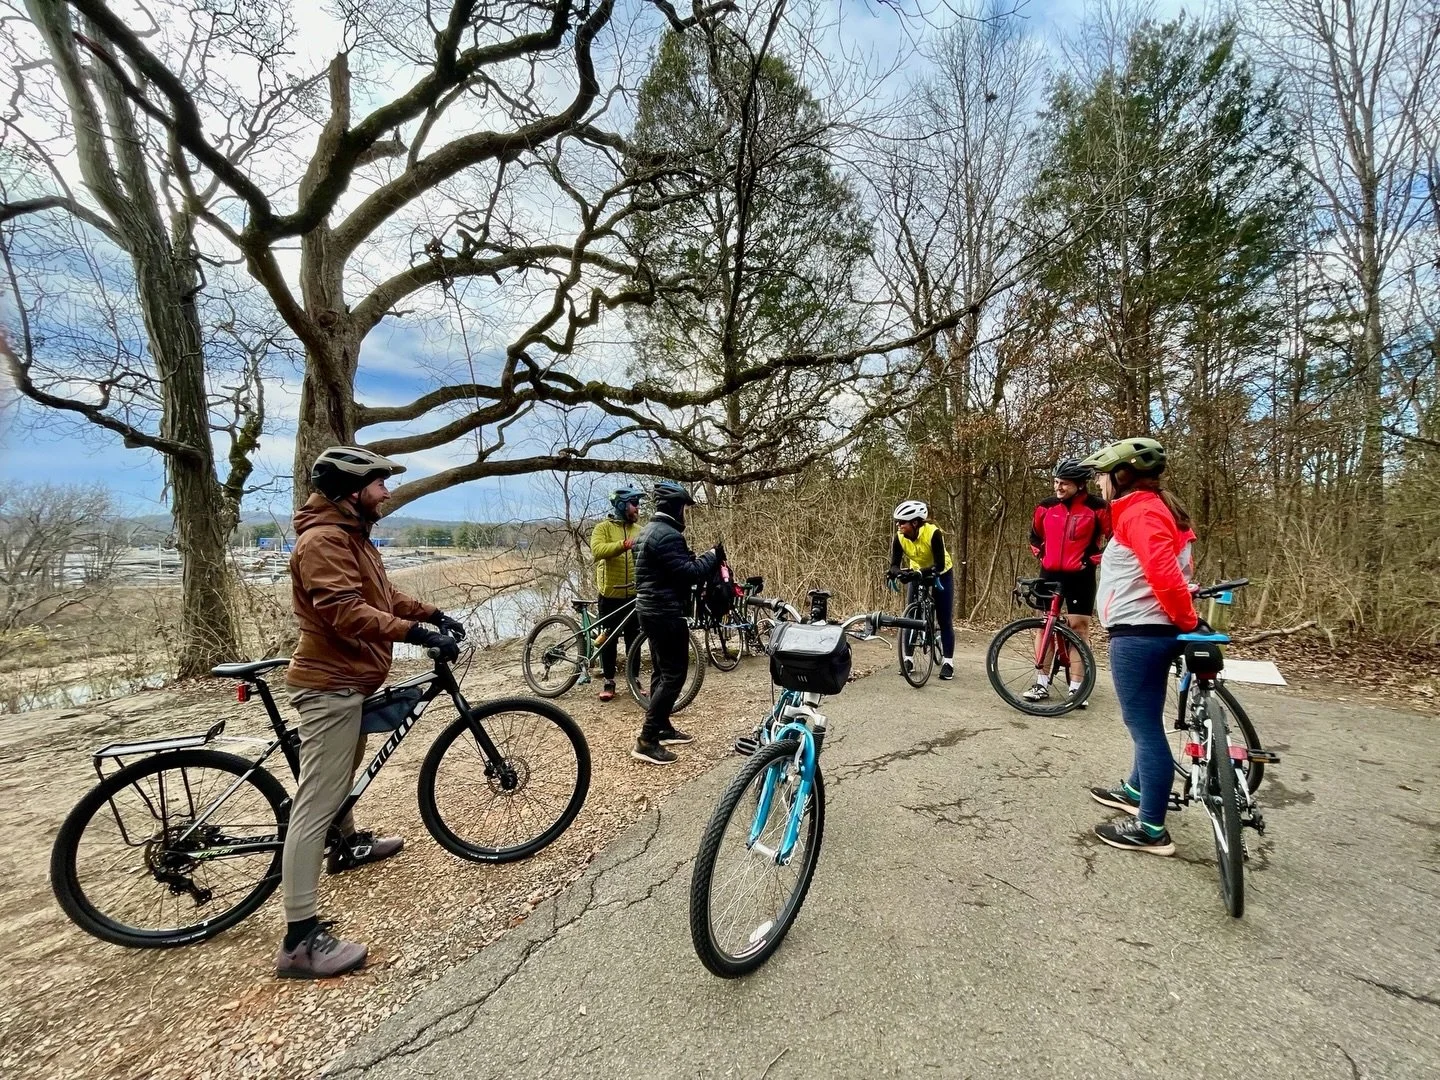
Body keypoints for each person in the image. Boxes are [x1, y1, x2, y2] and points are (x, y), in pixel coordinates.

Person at [278, 446, 464, 978]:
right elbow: (343, 611)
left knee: (342, 776)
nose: (386, 491)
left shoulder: (350, 536)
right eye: (379, 483)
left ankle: (346, 845)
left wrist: (432, 613)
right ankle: (299, 940)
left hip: (351, 681)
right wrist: (414, 634)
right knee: (315, 803)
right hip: (329, 686)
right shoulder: (323, 540)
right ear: (351, 489)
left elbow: (381, 595)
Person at [1081, 437, 1207, 857]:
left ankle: (1151, 827)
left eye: (1102, 476)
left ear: (1122, 475)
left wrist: (1188, 620)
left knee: (1143, 726)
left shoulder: (1141, 511)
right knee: (1147, 718)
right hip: (1146, 628)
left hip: (1141, 632)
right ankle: (1137, 789)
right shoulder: (1148, 510)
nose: (1098, 483)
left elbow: (1164, 576)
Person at [631, 480, 719, 765]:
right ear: (676, 507)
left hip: (648, 610)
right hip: (665, 612)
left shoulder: (646, 532)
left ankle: (662, 726)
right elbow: (689, 573)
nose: (685, 514)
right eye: (684, 508)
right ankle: (646, 740)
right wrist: (712, 557)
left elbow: (667, 570)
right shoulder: (668, 535)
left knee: (661, 670)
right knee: (674, 675)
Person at [1024, 458, 1111, 705]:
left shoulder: (1098, 507)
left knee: (1078, 628)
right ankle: (1041, 683)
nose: (1058, 487)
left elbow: (1114, 540)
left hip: (1080, 576)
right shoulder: (1046, 506)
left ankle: (1076, 688)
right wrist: (1042, 555)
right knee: (1044, 626)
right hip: (1049, 574)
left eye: (1064, 483)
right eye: (1056, 482)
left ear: (1080, 484)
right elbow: (1034, 536)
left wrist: (1091, 560)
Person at [886, 500, 956, 681]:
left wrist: (918, 573)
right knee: (911, 618)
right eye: (897, 521)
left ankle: (948, 662)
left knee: (944, 618)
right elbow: (894, 564)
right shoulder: (899, 537)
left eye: (902, 522)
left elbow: (939, 565)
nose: (898, 525)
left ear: (915, 523)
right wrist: (897, 573)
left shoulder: (933, 533)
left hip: (941, 573)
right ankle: (908, 659)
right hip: (917, 571)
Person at [589, 487, 644, 701]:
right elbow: (597, 551)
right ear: (621, 505)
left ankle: (634, 679)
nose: (637, 507)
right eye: (634, 503)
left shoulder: (640, 530)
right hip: (610, 595)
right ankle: (609, 681)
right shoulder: (602, 528)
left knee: (634, 639)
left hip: (633, 594)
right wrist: (623, 545)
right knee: (608, 639)